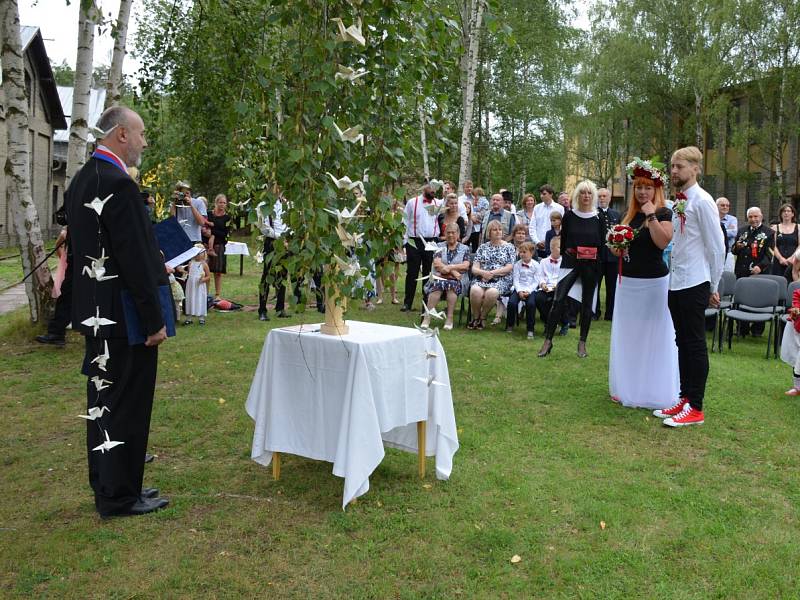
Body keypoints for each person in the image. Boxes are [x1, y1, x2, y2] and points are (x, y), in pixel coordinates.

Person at [65, 106, 169, 517]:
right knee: (127, 402)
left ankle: (108, 483)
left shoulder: (83, 178)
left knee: (103, 401)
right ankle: (121, 496)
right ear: (122, 134)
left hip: (95, 313)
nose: (145, 142)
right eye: (141, 134)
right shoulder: (119, 185)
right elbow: (135, 262)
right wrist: (153, 320)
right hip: (124, 318)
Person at [654, 146, 725, 427]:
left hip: (696, 282)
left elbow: (717, 247)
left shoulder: (703, 201)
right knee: (681, 342)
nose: (674, 171)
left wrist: (713, 286)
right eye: (672, 166)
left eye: (679, 166)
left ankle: (696, 406)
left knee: (695, 344)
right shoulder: (679, 201)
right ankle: (684, 398)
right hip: (677, 281)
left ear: (695, 169)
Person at [608, 158, 678, 409]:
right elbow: (622, 250)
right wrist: (617, 245)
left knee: (653, 337)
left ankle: (652, 389)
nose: (642, 191)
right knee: (630, 336)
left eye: (647, 187)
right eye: (638, 187)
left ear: (656, 189)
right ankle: (628, 386)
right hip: (627, 283)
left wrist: (651, 217)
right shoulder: (629, 215)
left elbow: (662, 242)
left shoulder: (663, 213)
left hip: (653, 284)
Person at [538, 181, 603, 359]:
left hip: (591, 265)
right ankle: (548, 340)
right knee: (558, 301)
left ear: (593, 196)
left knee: (588, 305)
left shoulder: (599, 217)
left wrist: (597, 266)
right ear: (577, 195)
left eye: (589, 193)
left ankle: (582, 342)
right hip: (570, 263)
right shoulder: (569, 216)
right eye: (583, 193)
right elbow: (565, 242)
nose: (586, 196)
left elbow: (602, 244)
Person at [731, 206, 774, 336]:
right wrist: (736, 247)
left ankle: (757, 329)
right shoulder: (742, 230)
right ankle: (741, 328)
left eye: (756, 216)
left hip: (759, 271)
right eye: (750, 217)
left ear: (761, 217)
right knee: (742, 299)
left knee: (759, 300)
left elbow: (770, 254)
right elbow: (733, 250)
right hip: (742, 270)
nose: (753, 219)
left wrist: (760, 267)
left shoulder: (769, 232)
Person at [421, 223, 470, 330]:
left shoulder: (465, 248)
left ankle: (449, 318)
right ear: (445, 234)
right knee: (438, 284)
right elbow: (438, 264)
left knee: (451, 285)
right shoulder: (439, 246)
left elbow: (466, 265)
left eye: (453, 232)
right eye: (448, 232)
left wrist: (449, 267)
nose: (451, 235)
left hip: (459, 279)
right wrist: (453, 272)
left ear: (458, 234)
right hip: (440, 276)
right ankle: (427, 317)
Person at [468, 220, 516, 330]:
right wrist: (484, 273)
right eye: (495, 230)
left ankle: (483, 317)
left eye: (500, 229)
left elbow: (509, 267)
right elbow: (474, 268)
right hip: (482, 278)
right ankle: (476, 317)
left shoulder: (509, 247)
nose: (498, 232)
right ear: (489, 233)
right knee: (475, 290)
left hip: (502, 279)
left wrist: (492, 273)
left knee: (492, 292)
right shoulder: (483, 247)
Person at [402, 184, 441, 312]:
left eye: (435, 189)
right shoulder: (413, 202)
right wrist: (405, 240)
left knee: (429, 273)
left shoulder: (437, 203)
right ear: (424, 188)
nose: (433, 191)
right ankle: (407, 303)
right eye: (431, 188)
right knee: (412, 272)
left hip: (431, 241)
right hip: (414, 241)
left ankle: (426, 302)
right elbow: (405, 220)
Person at [257, 194, 290, 320]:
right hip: (271, 242)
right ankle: (262, 310)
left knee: (283, 275)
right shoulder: (263, 205)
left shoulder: (287, 204)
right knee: (267, 276)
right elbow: (264, 228)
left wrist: (289, 238)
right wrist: (280, 238)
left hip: (285, 243)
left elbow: (289, 224)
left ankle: (280, 308)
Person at [506, 242, 540, 338]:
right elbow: (516, 279)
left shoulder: (536, 265)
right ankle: (510, 325)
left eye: (524, 252)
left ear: (531, 253)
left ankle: (530, 329)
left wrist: (528, 291)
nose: (522, 254)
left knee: (531, 304)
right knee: (512, 303)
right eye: (520, 252)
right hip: (519, 288)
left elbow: (536, 281)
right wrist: (519, 291)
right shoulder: (517, 265)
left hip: (531, 289)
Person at [596, 187, 620, 320]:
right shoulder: (593, 214)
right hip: (598, 256)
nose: (602, 199)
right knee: (595, 286)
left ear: (610, 198)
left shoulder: (616, 215)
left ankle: (610, 313)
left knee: (612, 287)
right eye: (599, 196)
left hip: (612, 257)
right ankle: (595, 311)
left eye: (604, 196)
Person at [535, 236, 564, 333]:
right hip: (546, 287)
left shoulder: (565, 262)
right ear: (552, 248)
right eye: (559, 247)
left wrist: (557, 285)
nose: (562, 249)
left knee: (557, 300)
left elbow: (564, 277)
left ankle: (562, 322)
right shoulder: (543, 262)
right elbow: (540, 276)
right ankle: (549, 323)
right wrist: (542, 284)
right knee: (539, 298)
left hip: (558, 288)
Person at [207, 193, 230, 300]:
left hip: (220, 245)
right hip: (205, 244)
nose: (222, 205)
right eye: (220, 202)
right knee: (204, 270)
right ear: (216, 203)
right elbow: (202, 226)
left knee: (218, 271)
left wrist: (212, 230)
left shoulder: (227, 217)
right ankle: (205, 293)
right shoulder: (209, 214)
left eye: (224, 203)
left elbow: (225, 234)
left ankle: (217, 294)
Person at [532, 184, 563, 258]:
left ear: (551, 194)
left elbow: (562, 227)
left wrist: (555, 241)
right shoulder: (537, 208)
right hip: (539, 246)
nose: (541, 196)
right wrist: (537, 241)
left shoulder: (560, 208)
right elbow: (532, 226)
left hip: (554, 246)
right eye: (541, 194)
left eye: (544, 194)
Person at [771, 203, 799, 281]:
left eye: (788, 211)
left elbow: (799, 245)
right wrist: (780, 258)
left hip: (794, 261)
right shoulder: (774, 228)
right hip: (778, 262)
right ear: (781, 214)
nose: (786, 213)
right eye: (784, 211)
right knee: (778, 283)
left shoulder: (798, 228)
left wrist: (793, 257)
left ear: (793, 214)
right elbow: (773, 245)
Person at [183, 247, 210, 325]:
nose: (197, 255)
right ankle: (189, 317)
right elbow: (189, 273)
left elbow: (208, 276)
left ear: (203, 254)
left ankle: (201, 317)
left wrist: (203, 280)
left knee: (200, 298)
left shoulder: (204, 264)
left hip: (199, 286)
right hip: (191, 285)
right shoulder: (190, 263)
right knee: (190, 298)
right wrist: (183, 271)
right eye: (196, 253)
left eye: (199, 253)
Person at [717, 197, 738, 271]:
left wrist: (717, 231)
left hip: (728, 252)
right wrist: (727, 229)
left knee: (728, 276)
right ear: (716, 206)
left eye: (727, 205)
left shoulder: (733, 219)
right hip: (714, 253)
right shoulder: (712, 218)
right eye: (722, 205)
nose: (725, 207)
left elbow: (734, 233)